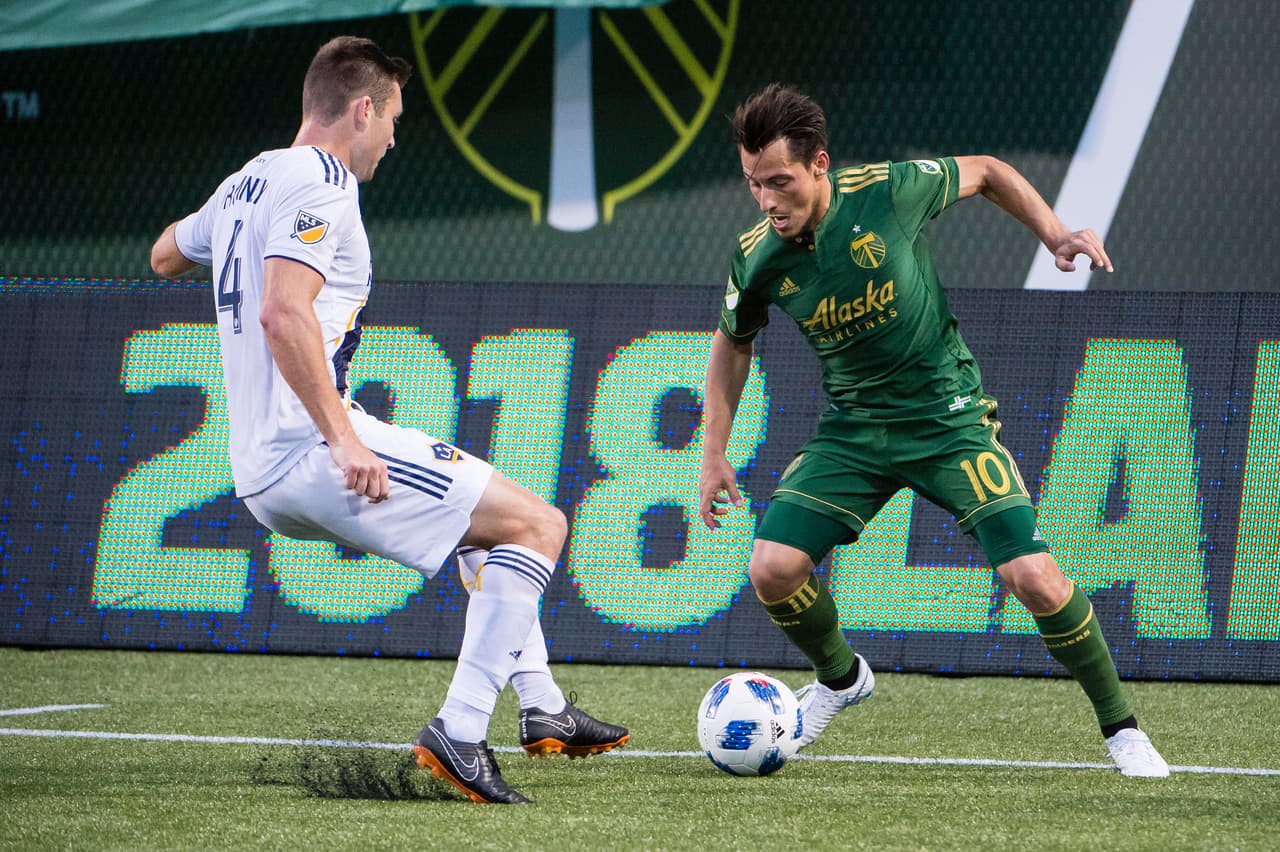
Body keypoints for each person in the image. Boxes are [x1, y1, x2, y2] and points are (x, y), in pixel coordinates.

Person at [149, 36, 628, 805]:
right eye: (394, 116)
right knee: (540, 527)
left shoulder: (248, 180)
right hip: (312, 447)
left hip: (260, 466)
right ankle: (461, 731)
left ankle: (542, 706)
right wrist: (342, 439)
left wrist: (221, 235)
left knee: (489, 525)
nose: (395, 136)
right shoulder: (325, 180)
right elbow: (281, 311)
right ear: (362, 108)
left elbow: (165, 256)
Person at [697, 83, 1169, 778]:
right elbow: (732, 343)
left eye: (779, 182)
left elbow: (986, 170)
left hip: (947, 420)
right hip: (854, 429)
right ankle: (839, 679)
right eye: (752, 185)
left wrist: (1055, 233)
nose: (767, 200)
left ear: (820, 165)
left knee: (1033, 578)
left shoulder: (888, 191)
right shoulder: (758, 254)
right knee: (771, 568)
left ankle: (1122, 729)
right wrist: (713, 452)